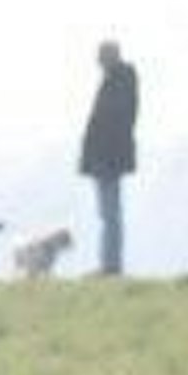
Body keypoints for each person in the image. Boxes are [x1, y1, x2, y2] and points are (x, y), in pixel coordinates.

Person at [79, 40, 139, 276]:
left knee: (110, 215)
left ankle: (111, 265)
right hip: (107, 157)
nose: (98, 62)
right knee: (108, 214)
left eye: (101, 57)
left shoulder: (120, 79)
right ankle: (109, 263)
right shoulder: (118, 79)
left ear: (110, 57)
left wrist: (99, 155)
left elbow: (112, 119)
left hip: (108, 158)